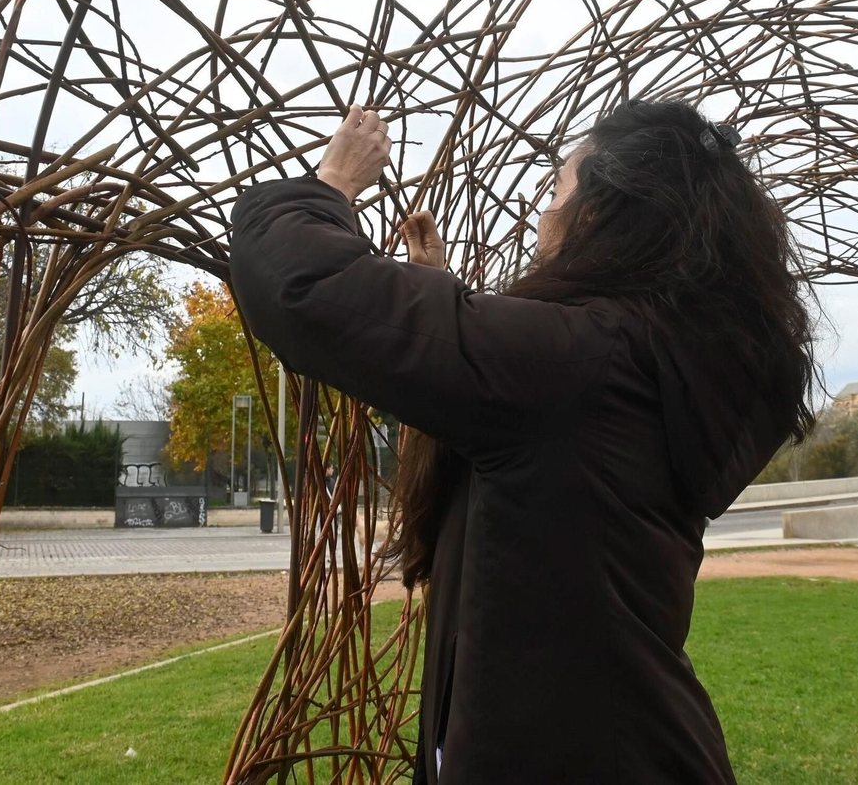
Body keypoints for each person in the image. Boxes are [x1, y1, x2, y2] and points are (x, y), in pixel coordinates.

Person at [230, 100, 817, 784]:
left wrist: (330, 183)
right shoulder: (645, 364)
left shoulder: (581, 363)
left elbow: (304, 286)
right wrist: (435, 294)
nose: (542, 212)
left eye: (556, 190)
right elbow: (514, 453)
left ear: (597, 213)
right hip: (630, 745)